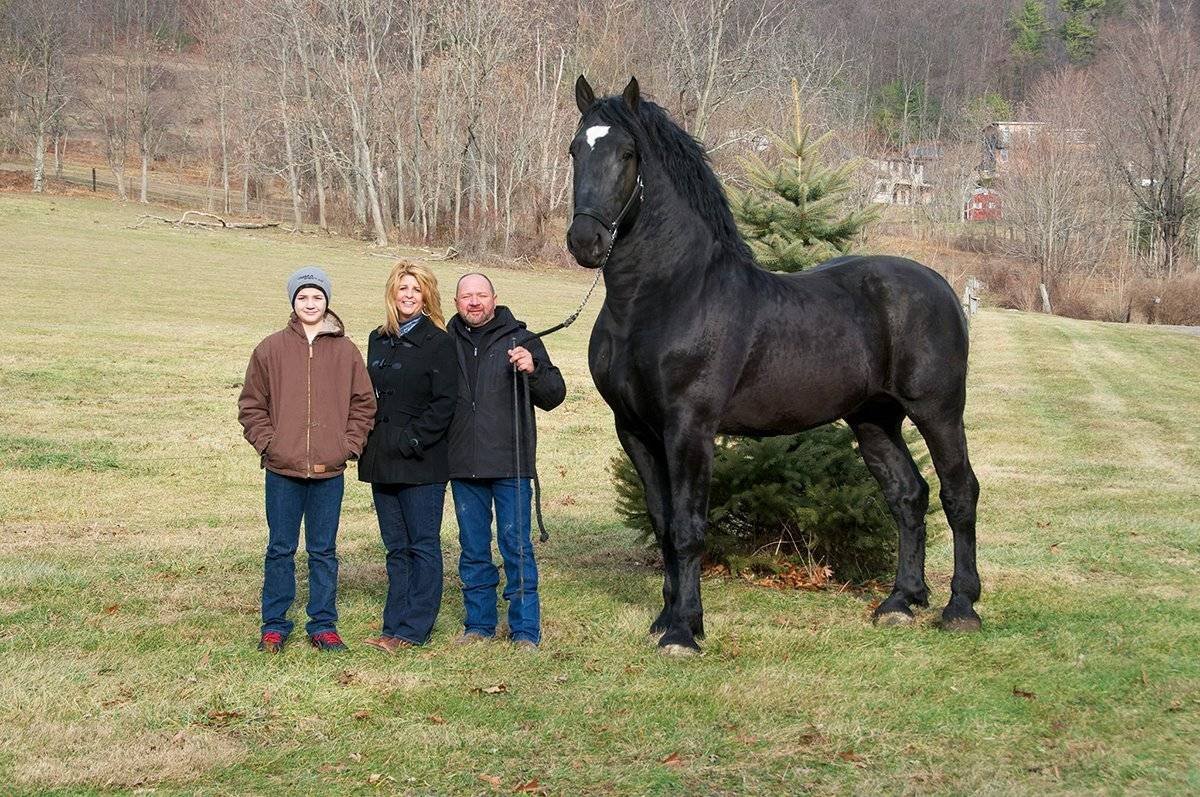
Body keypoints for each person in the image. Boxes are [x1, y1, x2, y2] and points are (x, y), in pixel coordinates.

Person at [237, 267, 375, 654]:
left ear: (327, 301)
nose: (310, 303)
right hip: (283, 469)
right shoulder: (270, 348)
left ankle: (323, 624)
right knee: (280, 548)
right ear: (293, 303)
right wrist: (270, 444)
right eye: (303, 297)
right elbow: (251, 405)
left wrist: (347, 446)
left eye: (317, 297)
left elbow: (364, 404)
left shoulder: (346, 351)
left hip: (329, 470)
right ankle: (274, 625)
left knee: (323, 550)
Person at [447, 273, 566, 649]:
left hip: (511, 465)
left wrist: (533, 369)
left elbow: (555, 395)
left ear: (495, 299)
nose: (474, 302)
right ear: (456, 302)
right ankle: (479, 625)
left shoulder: (522, 339)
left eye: (481, 295)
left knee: (516, 546)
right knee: (473, 548)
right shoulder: (444, 342)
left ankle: (525, 630)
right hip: (463, 464)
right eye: (467, 296)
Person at [358, 261, 458, 653]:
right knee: (395, 547)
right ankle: (392, 624)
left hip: (421, 462)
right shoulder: (378, 338)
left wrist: (414, 440)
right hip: (381, 459)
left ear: (427, 296)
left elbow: (445, 401)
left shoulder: (439, 342)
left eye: (416, 290)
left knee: (423, 545)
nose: (408, 296)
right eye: (402, 289)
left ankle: (414, 628)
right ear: (392, 293)